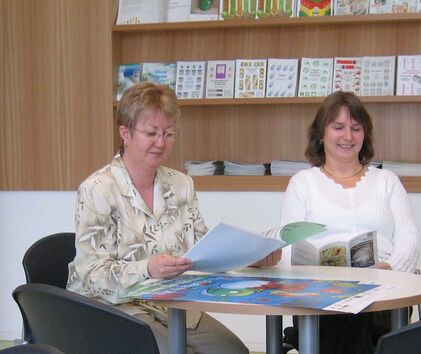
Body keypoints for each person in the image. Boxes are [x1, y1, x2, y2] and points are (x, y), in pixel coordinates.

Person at [67, 82, 280, 354]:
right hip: (113, 305)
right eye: (151, 133)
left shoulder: (181, 184)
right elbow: (92, 275)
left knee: (233, 351)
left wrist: (250, 257)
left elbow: (203, 249)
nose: (161, 142)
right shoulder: (98, 189)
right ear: (126, 133)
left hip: (173, 303)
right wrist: (147, 268)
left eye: (169, 133)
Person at [280, 91, 420, 354]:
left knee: (359, 319)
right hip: (321, 293)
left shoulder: (386, 180)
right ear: (321, 133)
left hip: (382, 289)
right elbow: (287, 244)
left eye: (356, 128)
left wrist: (390, 267)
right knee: (346, 320)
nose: (348, 136)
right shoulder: (303, 183)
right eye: (338, 127)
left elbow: (409, 236)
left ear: (364, 135)